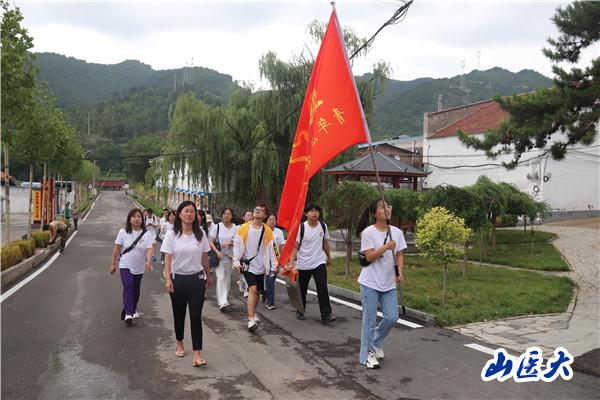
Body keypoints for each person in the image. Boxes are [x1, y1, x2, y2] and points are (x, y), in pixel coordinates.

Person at [161, 200, 214, 367]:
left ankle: (197, 354)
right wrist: (168, 279)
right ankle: (179, 342)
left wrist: (208, 275)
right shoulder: (171, 234)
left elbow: (204, 257)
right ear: (179, 214)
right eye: (186, 211)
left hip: (196, 279)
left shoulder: (200, 234)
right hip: (178, 279)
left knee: (196, 316)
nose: (190, 214)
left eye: (192, 211)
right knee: (179, 314)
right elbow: (167, 258)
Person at [356, 199, 406, 370]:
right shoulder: (368, 233)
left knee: (392, 317)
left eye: (389, 206)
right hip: (370, 282)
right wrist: (385, 247)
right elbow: (369, 256)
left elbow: (399, 254)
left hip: (388, 282)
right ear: (374, 213)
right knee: (369, 320)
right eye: (382, 207)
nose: (387, 209)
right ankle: (366, 355)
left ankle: (375, 343)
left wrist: (399, 272)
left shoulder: (397, 232)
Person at [233, 202, 278, 332]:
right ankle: (251, 318)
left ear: (265, 215)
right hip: (248, 265)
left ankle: (253, 312)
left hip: (261, 266)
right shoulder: (244, 228)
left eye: (261, 210)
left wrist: (275, 265)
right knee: (252, 289)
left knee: (257, 292)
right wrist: (236, 262)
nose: (258, 211)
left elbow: (272, 249)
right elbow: (237, 245)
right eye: (256, 209)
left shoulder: (267, 231)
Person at [287, 203, 335, 323]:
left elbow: (325, 243)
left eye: (317, 211)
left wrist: (329, 257)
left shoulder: (323, 226)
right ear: (306, 214)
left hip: (319, 262)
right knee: (302, 289)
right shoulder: (301, 228)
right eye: (312, 211)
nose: (315, 213)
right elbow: (295, 247)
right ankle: (300, 310)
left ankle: (326, 314)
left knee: (322, 288)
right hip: (304, 264)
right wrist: (291, 262)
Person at [109, 209, 154, 324]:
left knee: (135, 289)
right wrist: (113, 264)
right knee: (128, 286)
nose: (136, 219)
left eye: (139, 217)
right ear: (129, 219)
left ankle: (133, 308)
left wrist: (149, 261)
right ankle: (128, 313)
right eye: (134, 217)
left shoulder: (146, 234)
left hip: (139, 267)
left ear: (142, 219)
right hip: (125, 265)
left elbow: (149, 248)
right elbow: (117, 249)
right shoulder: (123, 232)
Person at [209, 208, 238, 312]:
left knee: (228, 278)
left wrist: (233, 244)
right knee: (221, 277)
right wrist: (217, 251)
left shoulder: (235, 228)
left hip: (230, 257)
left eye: (229, 214)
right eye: (225, 214)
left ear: (232, 216)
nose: (226, 216)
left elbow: (238, 242)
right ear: (222, 215)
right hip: (219, 256)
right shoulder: (217, 227)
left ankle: (225, 298)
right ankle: (222, 303)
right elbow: (211, 242)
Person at [264, 213, 284, 310]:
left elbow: (282, 245)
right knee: (266, 280)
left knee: (270, 279)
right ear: (266, 221)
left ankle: (270, 301)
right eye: (270, 219)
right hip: (264, 259)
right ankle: (266, 295)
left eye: (274, 219)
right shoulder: (263, 231)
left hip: (275, 259)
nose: (272, 221)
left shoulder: (279, 232)